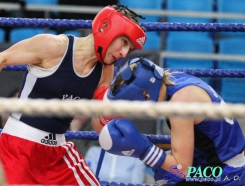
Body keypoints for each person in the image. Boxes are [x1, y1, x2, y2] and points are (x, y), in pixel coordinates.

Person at [0, 4, 147, 185]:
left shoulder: (106, 70)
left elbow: (99, 123)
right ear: (106, 27)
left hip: (58, 151)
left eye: (129, 49)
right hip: (19, 147)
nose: (123, 53)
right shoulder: (53, 46)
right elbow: (2, 58)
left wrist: (114, 112)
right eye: (123, 42)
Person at [98, 57, 245, 185]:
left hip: (225, 174)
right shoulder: (172, 79)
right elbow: (199, 139)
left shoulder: (180, 104)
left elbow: (183, 170)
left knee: (168, 173)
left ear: (145, 95)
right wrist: (144, 142)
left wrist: (144, 150)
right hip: (218, 163)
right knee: (164, 172)